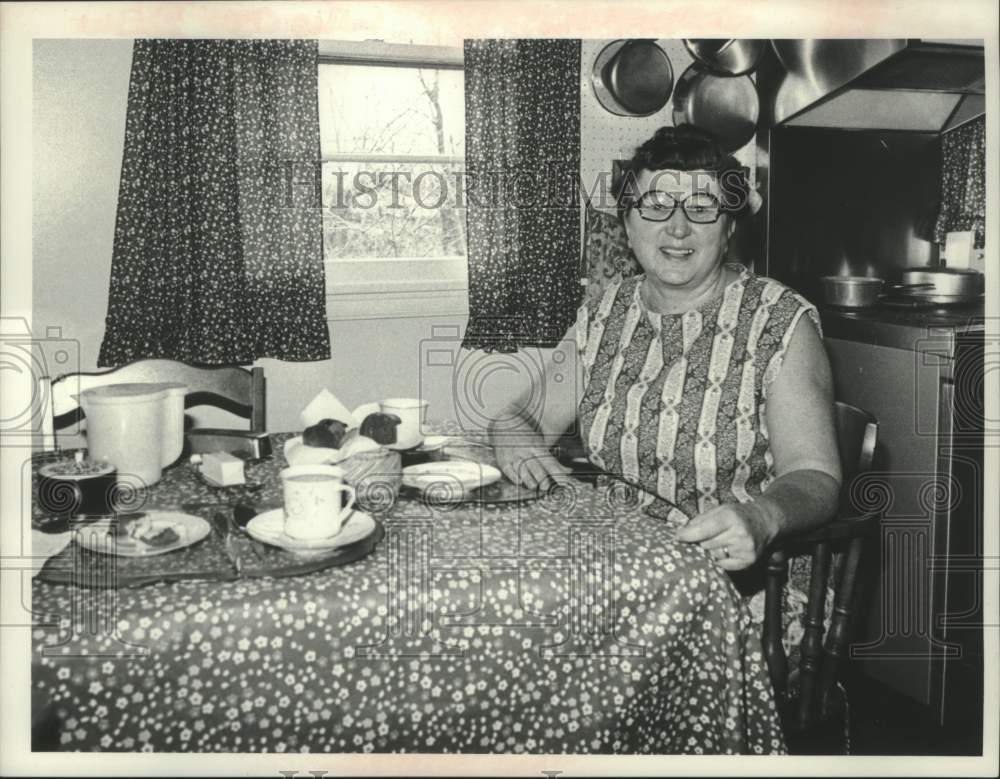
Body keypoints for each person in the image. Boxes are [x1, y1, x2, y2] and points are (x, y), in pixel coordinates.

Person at [492, 124, 841, 572]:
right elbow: (521, 416)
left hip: (741, 581)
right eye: (655, 206)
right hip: (620, 562)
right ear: (627, 223)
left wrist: (761, 517)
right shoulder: (605, 313)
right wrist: (512, 438)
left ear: (729, 226)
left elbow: (816, 475)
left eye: (702, 207)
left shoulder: (778, 321)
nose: (678, 228)